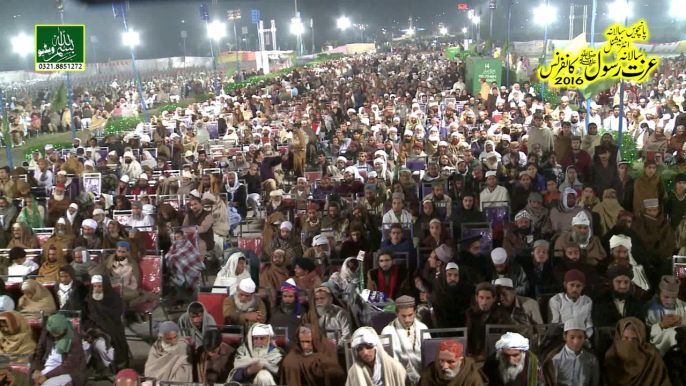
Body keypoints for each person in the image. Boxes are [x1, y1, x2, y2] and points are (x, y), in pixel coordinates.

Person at [604, 317, 671, 386]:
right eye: (625, 338)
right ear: (619, 337)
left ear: (641, 340)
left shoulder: (652, 358)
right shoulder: (611, 356)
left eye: (634, 339)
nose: (629, 343)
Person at [381, 295, 429, 384]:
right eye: (403, 316)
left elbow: (429, 357)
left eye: (410, 315)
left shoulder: (423, 328)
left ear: (415, 312)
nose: (407, 319)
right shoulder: (387, 332)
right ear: (396, 313)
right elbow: (386, 363)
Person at [30, 313, 87, 386]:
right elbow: (38, 353)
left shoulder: (74, 338)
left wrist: (46, 376)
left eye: (57, 332)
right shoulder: (47, 333)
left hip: (66, 371)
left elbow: (69, 365)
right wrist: (36, 370)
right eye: (53, 332)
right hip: (47, 368)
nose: (55, 335)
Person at [281, 323, 345, 386]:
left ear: (315, 340)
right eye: (302, 342)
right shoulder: (296, 351)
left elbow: (337, 373)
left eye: (308, 341)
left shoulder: (326, 348)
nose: (305, 346)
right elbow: (289, 361)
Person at [542, 319, 599, 385]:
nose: (576, 342)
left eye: (580, 337)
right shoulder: (555, 359)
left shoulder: (592, 359)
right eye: (572, 337)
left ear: (584, 337)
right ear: (565, 336)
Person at [465, 282, 514, 360]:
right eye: (481, 298)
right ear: (476, 298)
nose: (484, 302)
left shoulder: (503, 316)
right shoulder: (469, 314)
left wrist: (484, 355)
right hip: (470, 357)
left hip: (494, 358)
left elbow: (505, 340)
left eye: (488, 298)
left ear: (494, 299)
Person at [481, 332, 546, 386]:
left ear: (523, 352)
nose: (510, 361)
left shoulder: (533, 363)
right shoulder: (491, 363)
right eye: (506, 356)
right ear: (500, 353)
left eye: (515, 355)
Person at [645, 275, 686, 356]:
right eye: (666, 297)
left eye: (673, 297)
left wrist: (682, 321)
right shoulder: (649, 309)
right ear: (659, 293)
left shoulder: (683, 305)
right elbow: (645, 333)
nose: (670, 301)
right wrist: (661, 325)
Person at [418, 339, 487, 386]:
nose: (444, 366)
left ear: (461, 361)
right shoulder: (429, 374)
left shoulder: (472, 378)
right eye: (441, 360)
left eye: (450, 362)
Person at [548, 270, 594, 339]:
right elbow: (555, 324)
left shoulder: (587, 301)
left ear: (583, 287)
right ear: (565, 284)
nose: (575, 289)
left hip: (581, 338)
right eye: (572, 285)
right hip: (561, 338)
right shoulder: (556, 300)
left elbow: (589, 325)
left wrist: (584, 337)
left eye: (578, 286)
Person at [166, 230, 204, 302]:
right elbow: (170, 254)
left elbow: (194, 256)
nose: (177, 239)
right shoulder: (173, 246)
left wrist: (176, 257)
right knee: (175, 277)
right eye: (175, 237)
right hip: (178, 269)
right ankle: (180, 299)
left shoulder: (188, 244)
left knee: (194, 275)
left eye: (179, 237)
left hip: (191, 267)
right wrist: (171, 256)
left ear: (183, 237)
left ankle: (194, 300)